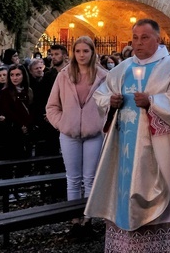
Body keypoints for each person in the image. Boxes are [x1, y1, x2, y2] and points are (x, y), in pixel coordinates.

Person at [86, 19, 170, 251]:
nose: (138, 43)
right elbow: (100, 95)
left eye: (145, 37)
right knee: (125, 192)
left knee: (165, 194)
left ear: (158, 39)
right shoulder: (122, 68)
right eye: (135, 37)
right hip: (124, 147)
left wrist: (153, 102)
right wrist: (111, 102)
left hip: (159, 148)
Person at [46, 37, 108, 234]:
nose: (82, 55)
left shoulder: (103, 76)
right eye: (78, 51)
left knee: (90, 178)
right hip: (69, 133)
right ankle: (74, 219)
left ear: (92, 53)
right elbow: (52, 105)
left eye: (86, 51)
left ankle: (88, 219)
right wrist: (62, 123)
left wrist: (101, 124)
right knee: (73, 178)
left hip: (93, 133)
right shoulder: (64, 75)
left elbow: (109, 106)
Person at [0, 64, 33, 166]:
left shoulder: (28, 91)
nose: (15, 78)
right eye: (12, 75)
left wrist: (27, 124)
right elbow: (7, 111)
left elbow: (31, 109)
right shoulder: (5, 92)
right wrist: (21, 124)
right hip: (12, 129)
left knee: (26, 159)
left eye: (18, 75)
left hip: (27, 129)